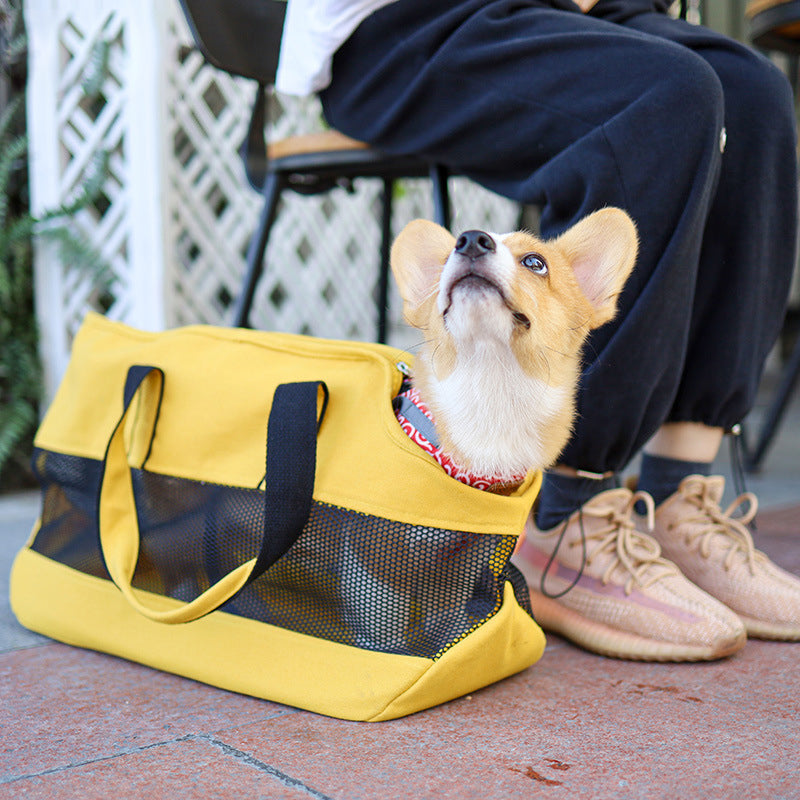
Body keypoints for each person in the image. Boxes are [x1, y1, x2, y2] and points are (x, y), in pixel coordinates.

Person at [275, 0, 800, 659]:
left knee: (755, 92)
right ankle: (569, 511)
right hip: (401, 23)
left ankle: (677, 498)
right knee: (667, 98)